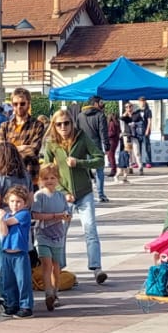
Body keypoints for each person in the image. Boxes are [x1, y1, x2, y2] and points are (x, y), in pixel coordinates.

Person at [41, 109, 106, 285]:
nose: (63, 127)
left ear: (72, 123)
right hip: (63, 196)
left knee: (90, 229)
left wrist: (80, 163)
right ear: (54, 126)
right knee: (60, 232)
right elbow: (47, 171)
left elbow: (100, 159)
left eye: (66, 123)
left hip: (84, 192)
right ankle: (60, 269)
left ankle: (96, 268)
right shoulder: (51, 143)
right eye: (59, 124)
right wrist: (62, 192)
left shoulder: (82, 137)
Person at [30, 164, 72, 312]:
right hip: (43, 235)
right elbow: (35, 215)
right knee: (46, 264)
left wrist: (66, 216)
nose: (49, 181)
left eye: (52, 178)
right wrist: (55, 216)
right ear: (41, 180)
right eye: (46, 178)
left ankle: (55, 292)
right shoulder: (39, 196)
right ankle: (48, 293)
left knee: (56, 266)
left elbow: (67, 213)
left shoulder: (60, 196)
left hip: (58, 236)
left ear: (58, 179)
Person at [0, 182, 35, 319]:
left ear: (24, 203)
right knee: (8, 281)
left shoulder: (24, 214)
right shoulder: (6, 216)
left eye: (18, 201)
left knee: (23, 281)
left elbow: (8, 223)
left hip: (20, 254)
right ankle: (12, 304)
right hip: (7, 253)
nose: (15, 204)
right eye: (12, 201)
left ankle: (26, 306)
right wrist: (0, 220)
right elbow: (3, 232)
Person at [75, 96, 113, 202]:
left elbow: (76, 131)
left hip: (83, 146)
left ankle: (86, 194)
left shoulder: (80, 115)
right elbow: (103, 132)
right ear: (95, 104)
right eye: (101, 102)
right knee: (99, 171)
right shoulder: (100, 115)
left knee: (85, 171)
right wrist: (107, 146)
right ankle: (101, 194)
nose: (102, 104)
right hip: (96, 147)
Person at [0, 88, 46, 168]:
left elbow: (33, 150)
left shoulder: (37, 125)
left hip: (29, 171)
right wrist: (22, 148)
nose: (19, 106)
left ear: (28, 104)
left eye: (22, 103)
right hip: (8, 170)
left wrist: (8, 149)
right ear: (12, 105)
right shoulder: (5, 126)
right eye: (15, 104)